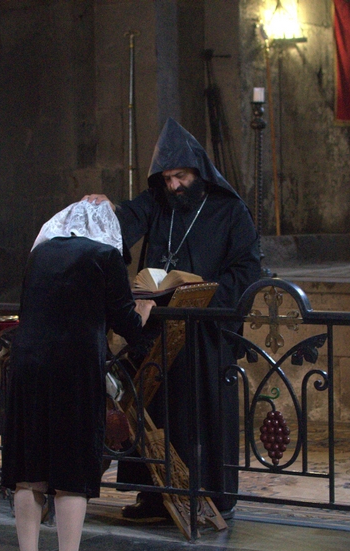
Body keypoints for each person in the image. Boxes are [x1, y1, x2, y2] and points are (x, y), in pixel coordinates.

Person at [83, 118, 261, 519]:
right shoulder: (158, 202)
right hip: (156, 331)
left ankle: (208, 496)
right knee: (155, 412)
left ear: (199, 172)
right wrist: (106, 210)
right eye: (167, 178)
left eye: (180, 176)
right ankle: (154, 496)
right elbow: (125, 220)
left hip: (204, 335)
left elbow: (247, 272)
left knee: (197, 418)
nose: (174, 186)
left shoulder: (230, 211)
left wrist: (202, 292)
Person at [0, 200, 154, 551]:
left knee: (30, 467)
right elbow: (128, 327)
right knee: (71, 467)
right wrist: (146, 312)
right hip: (74, 370)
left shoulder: (40, 253)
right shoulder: (105, 255)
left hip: (27, 367)